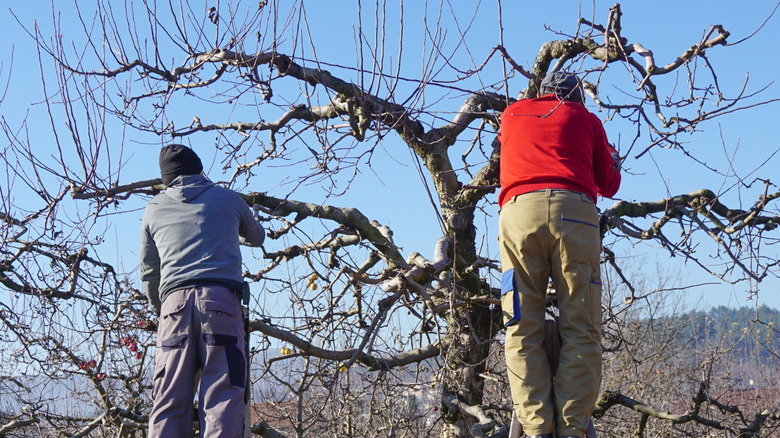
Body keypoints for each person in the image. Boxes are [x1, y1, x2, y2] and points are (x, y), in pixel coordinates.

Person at [498, 71, 621, 438]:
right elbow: (610, 182)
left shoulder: (511, 114)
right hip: (575, 214)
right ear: (578, 98)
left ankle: (536, 428)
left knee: (520, 325)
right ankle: (572, 429)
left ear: (540, 92)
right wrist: (611, 155)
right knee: (581, 327)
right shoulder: (586, 119)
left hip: (518, 216)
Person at [141, 144, 265, 437]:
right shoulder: (228, 199)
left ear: (166, 180)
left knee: (169, 399)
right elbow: (257, 237)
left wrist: (164, 313)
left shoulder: (154, 208)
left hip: (173, 308)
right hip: (221, 304)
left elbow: (149, 273)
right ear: (199, 169)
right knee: (222, 398)